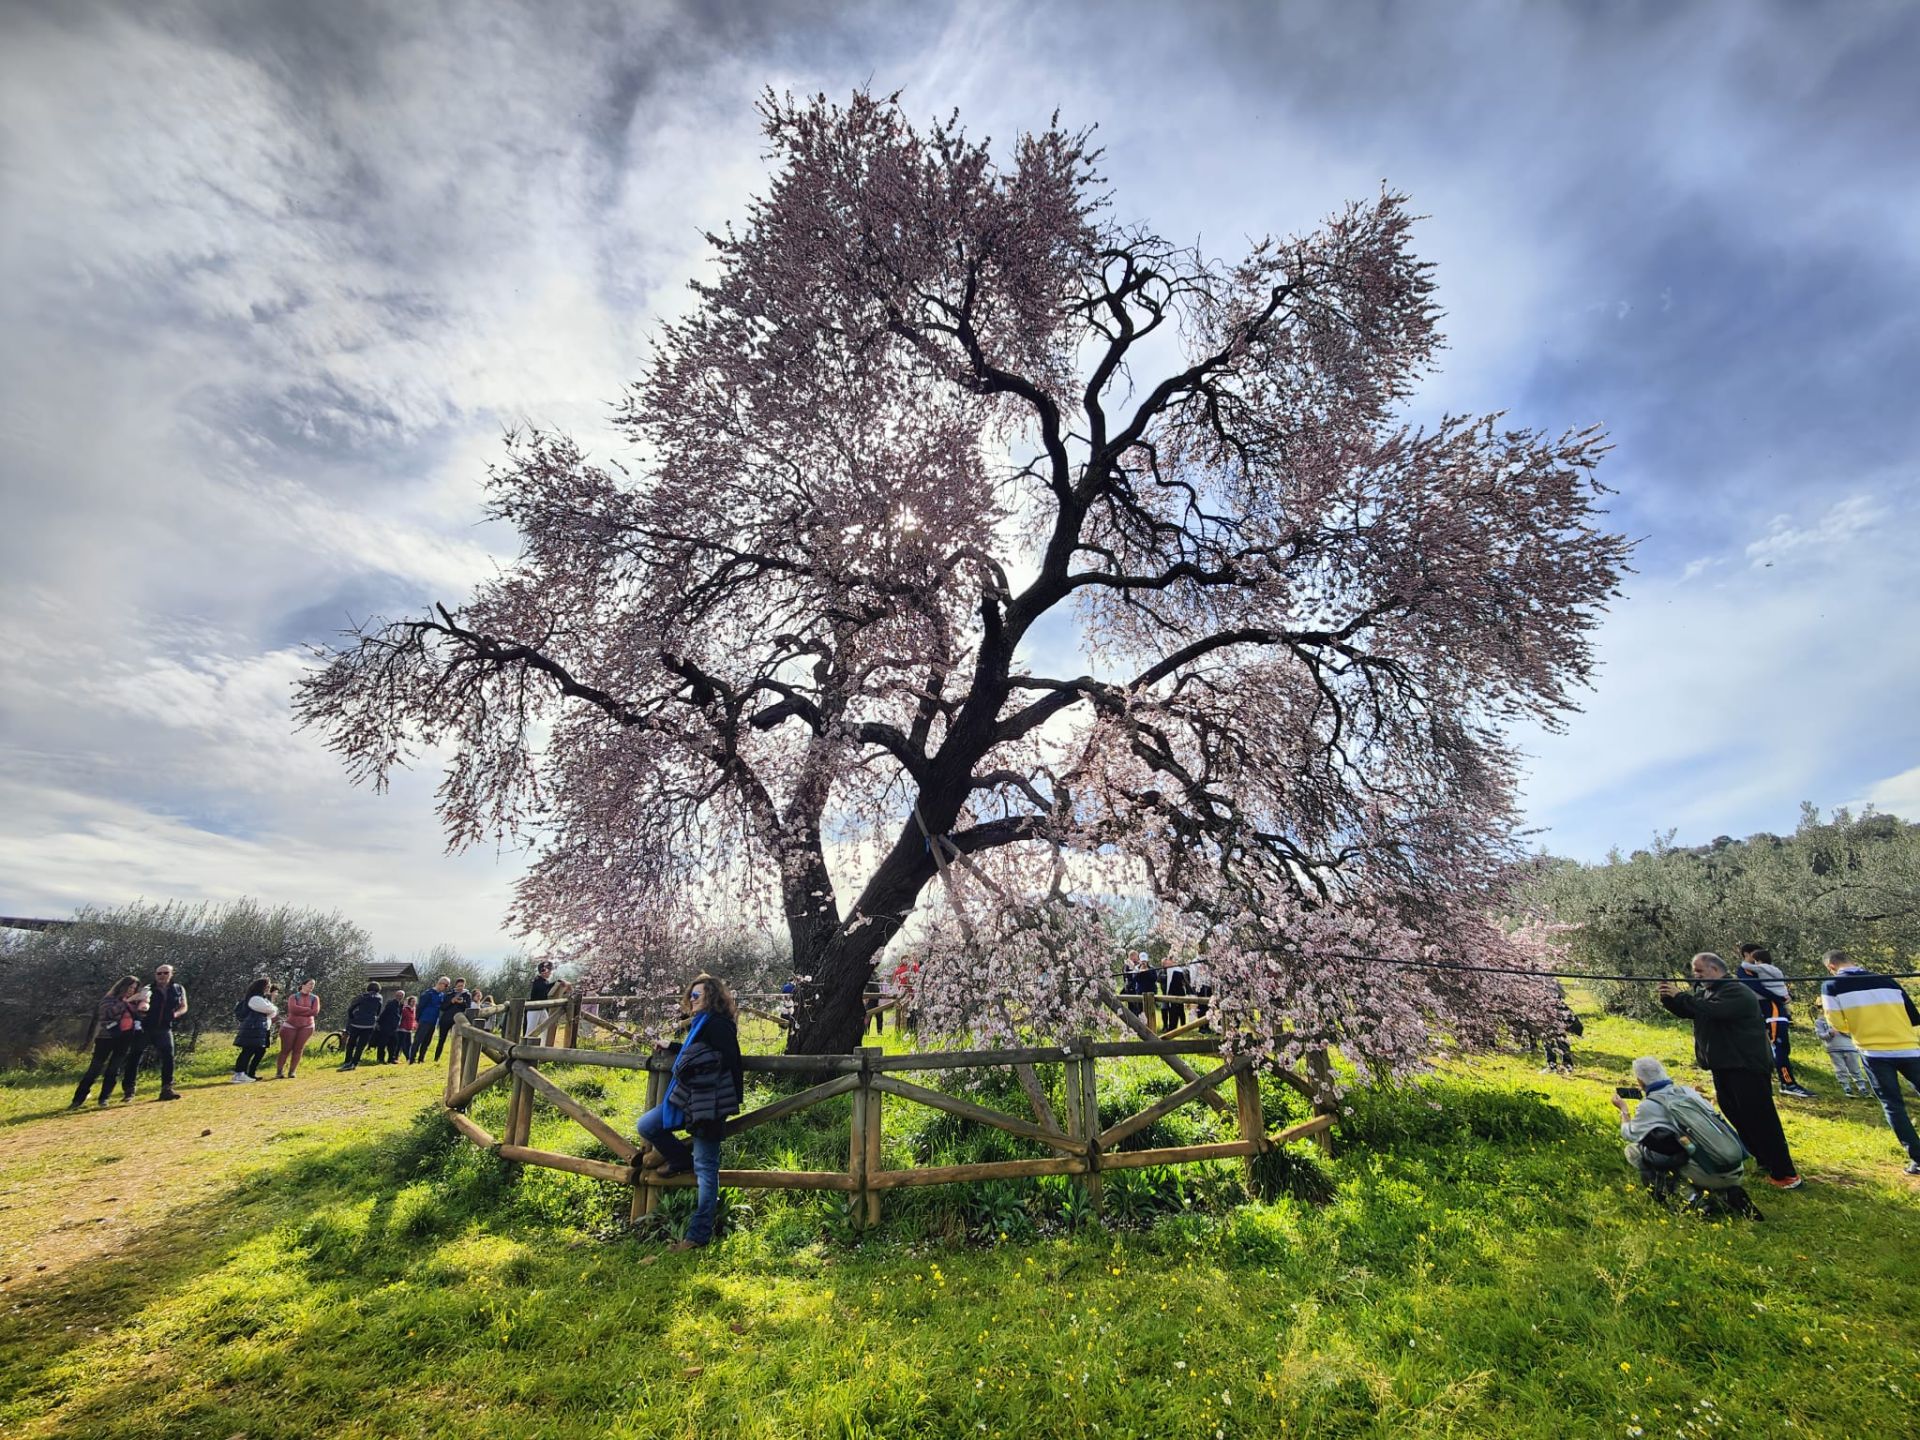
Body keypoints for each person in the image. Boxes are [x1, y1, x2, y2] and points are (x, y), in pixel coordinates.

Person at [1658, 952, 1801, 1188]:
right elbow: (1690, 1010)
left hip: (1746, 1066)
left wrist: (1680, 995)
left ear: (1715, 969)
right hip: (1724, 1066)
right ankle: (1765, 1161)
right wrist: (1669, 998)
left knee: (1761, 1120)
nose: (1696, 976)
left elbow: (1713, 1011)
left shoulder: (1736, 991)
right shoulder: (1708, 992)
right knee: (1738, 1116)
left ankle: (1786, 1173)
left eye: (1700, 971)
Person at [635, 973, 744, 1252]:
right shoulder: (702, 1023)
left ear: (712, 997)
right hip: (690, 1100)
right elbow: (696, 1053)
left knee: (707, 1169)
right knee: (648, 1125)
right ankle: (681, 1159)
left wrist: (727, 1100)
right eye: (690, 996)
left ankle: (697, 1235)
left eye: (697, 996)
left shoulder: (719, 1025)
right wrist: (671, 1047)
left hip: (710, 1104)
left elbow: (729, 1061)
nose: (691, 1000)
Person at [1613, 1055, 1758, 1216]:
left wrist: (1623, 1110)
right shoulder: (1688, 1092)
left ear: (1640, 1082)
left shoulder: (1650, 1105)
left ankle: (1691, 1198)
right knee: (1684, 1145)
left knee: (1636, 1151)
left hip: (1708, 1172)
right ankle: (1725, 1193)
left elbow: (1628, 1133)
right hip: (1734, 1166)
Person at [1821, 950, 1920, 1175]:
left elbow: (1838, 1025)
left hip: (1875, 1053)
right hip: (1909, 1047)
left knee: (1893, 1106)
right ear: (1853, 961)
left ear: (1831, 967)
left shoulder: (1831, 985)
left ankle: (1918, 1158)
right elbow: (1914, 1017)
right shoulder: (1888, 980)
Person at [1737, 944, 1812, 1097]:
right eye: (1755, 955)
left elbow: (1777, 984)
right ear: (1746, 954)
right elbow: (1757, 988)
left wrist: (1787, 996)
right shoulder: (1745, 970)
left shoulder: (1765, 968)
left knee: (1781, 1047)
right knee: (1779, 1047)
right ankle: (1788, 1083)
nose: (1758, 958)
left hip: (1776, 1009)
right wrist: (1779, 998)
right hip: (1769, 1011)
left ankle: (1782, 1081)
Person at [70, 976, 142, 1109]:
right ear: (122, 986)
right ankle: (78, 1099)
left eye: (134, 988)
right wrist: (125, 1003)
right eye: (129, 987)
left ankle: (104, 1098)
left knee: (114, 1069)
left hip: (124, 1039)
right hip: (106, 1038)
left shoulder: (133, 1004)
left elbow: (140, 1015)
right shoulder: (108, 1000)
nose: (131, 990)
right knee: (94, 1069)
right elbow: (107, 1014)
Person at [133, 963, 189, 1101]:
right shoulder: (147, 988)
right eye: (159, 973)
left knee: (168, 1057)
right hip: (145, 1027)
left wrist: (176, 1014)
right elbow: (137, 1004)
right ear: (155, 975)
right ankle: (129, 1090)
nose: (162, 976)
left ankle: (166, 1089)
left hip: (164, 1027)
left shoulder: (178, 989)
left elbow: (184, 1006)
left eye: (165, 973)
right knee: (135, 1057)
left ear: (171, 974)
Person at [1812, 1008, 1871, 1098]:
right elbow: (1820, 1035)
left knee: (1855, 1068)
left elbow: (1855, 1032)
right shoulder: (1820, 1022)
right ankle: (1847, 1088)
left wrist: (1842, 1030)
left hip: (1850, 1047)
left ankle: (1862, 1088)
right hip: (1833, 1048)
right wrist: (1829, 1034)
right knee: (1840, 1069)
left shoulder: (1846, 1019)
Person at [232, 978, 278, 1083]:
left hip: (261, 1029)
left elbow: (272, 1012)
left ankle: (250, 1073)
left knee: (260, 1051)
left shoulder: (262, 998)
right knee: (248, 1051)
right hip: (253, 1029)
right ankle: (239, 1074)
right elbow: (271, 1010)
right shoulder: (255, 999)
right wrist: (272, 1008)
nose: (268, 988)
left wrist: (271, 1009)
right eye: (267, 986)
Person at [275, 978, 320, 1078]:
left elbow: (315, 1012)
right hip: (290, 1025)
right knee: (285, 1049)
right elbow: (293, 1009)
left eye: (313, 985)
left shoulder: (315, 998)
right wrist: (308, 1009)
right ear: (303, 985)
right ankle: (279, 1071)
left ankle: (292, 1072)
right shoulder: (293, 997)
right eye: (310, 984)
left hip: (307, 1026)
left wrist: (302, 1011)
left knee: (298, 1049)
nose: (311, 986)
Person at [342, 982, 382, 1070]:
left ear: (368, 988)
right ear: (378, 989)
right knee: (361, 1045)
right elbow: (378, 1011)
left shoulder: (362, 996)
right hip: (369, 1024)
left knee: (351, 1043)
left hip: (357, 1023)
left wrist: (352, 1016)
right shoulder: (379, 998)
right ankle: (354, 1063)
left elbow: (351, 1008)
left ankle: (347, 1061)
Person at [1541, 993, 1582, 1074]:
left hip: (1556, 1015)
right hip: (1547, 1014)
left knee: (1561, 1042)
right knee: (1548, 1042)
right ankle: (1552, 1066)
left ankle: (1567, 1066)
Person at [413, 977, 449, 1063]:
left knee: (427, 1041)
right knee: (418, 1040)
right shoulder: (428, 993)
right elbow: (420, 1007)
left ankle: (421, 1059)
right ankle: (412, 1058)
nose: (446, 988)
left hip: (433, 1021)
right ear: (440, 983)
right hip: (424, 1020)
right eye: (446, 985)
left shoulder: (442, 995)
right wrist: (417, 1020)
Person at [435, 977, 472, 1059]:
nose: (460, 988)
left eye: (462, 986)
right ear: (455, 985)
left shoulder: (467, 995)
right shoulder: (449, 994)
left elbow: (468, 1008)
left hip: (458, 1021)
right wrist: (451, 1001)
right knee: (441, 1040)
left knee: (458, 1041)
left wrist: (462, 1002)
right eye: (458, 986)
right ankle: (436, 1058)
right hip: (446, 1020)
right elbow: (443, 1007)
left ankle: (457, 1058)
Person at [375, 987, 405, 1063]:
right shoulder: (391, 1003)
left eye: (401, 995)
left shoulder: (401, 1005)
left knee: (393, 1043)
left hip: (394, 1028)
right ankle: (380, 1059)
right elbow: (384, 1013)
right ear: (395, 995)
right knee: (383, 1043)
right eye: (398, 995)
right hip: (386, 1026)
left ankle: (391, 1059)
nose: (399, 996)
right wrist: (379, 1022)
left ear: (403, 997)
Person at [527, 961, 557, 1036]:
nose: (550, 973)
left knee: (546, 1028)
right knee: (531, 1030)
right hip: (534, 1009)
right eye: (549, 970)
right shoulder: (537, 980)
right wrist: (557, 982)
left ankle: (542, 1045)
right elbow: (544, 988)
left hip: (542, 1009)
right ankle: (525, 1046)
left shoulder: (544, 981)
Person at [398, 994, 419, 1062]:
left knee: (409, 1044)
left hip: (409, 1030)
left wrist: (414, 1026)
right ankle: (407, 1057)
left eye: (415, 1001)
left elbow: (413, 1019)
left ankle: (408, 1057)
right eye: (412, 1001)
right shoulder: (405, 1009)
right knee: (403, 1045)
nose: (414, 1003)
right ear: (409, 1002)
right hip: (403, 1029)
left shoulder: (414, 1010)